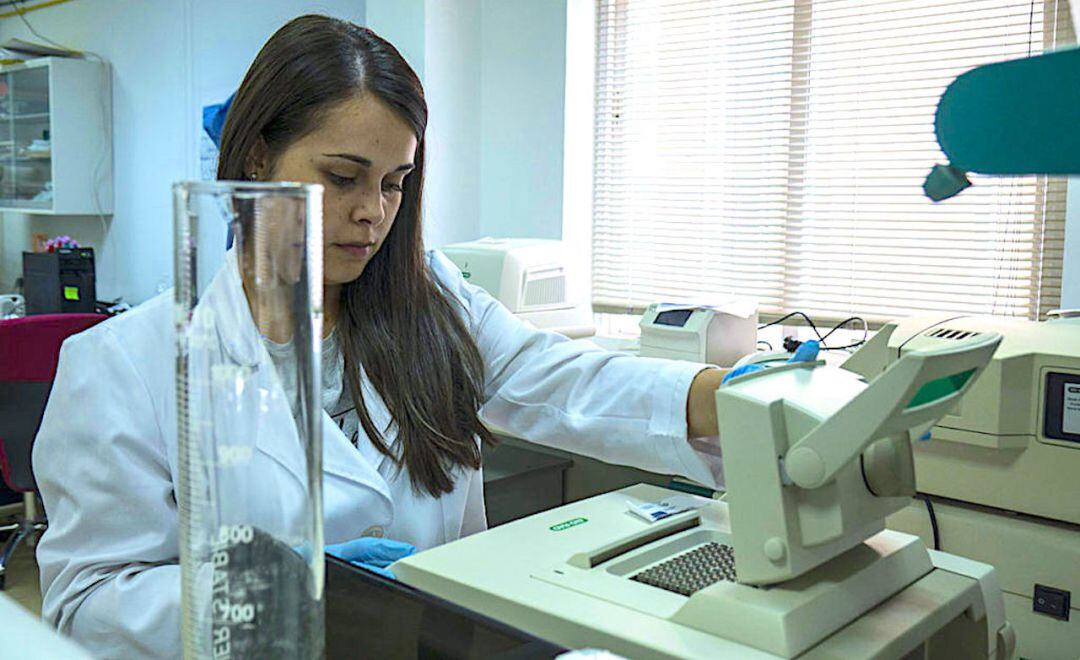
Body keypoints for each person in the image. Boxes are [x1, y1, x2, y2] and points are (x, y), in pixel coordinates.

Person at [31, 15, 802, 659]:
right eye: (343, 177)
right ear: (258, 158)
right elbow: (89, 602)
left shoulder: (427, 303)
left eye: (395, 182)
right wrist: (296, 588)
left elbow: (563, 380)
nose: (373, 211)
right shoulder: (122, 366)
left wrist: (725, 398)